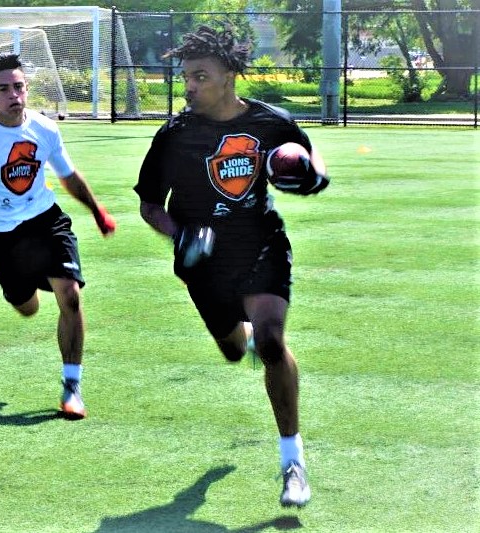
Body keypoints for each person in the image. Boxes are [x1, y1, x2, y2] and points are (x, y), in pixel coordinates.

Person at [134, 25, 329, 508]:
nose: (189, 87)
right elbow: (150, 204)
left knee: (272, 339)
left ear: (229, 77)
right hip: (203, 263)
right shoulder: (175, 134)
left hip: (260, 244)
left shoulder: (271, 123)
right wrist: (181, 235)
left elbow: (312, 162)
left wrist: (310, 175)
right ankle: (243, 338)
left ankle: (293, 462)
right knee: (233, 349)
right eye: (185, 77)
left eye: (200, 76)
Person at [0, 53, 116, 420]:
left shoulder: (45, 128)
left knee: (70, 295)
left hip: (46, 220)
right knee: (27, 309)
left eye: (19, 87)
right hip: (2, 235)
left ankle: (72, 388)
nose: (14, 95)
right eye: (3, 89)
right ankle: (33, 282)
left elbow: (68, 176)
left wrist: (98, 212)